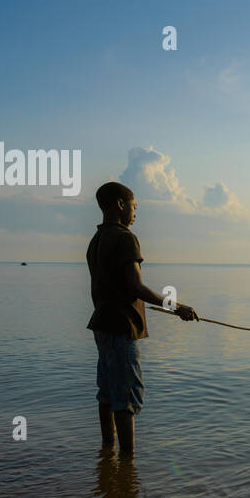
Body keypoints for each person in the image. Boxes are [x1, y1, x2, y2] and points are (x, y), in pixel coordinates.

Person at [86, 181, 197, 456]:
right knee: (125, 397)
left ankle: (107, 452)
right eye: (134, 207)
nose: (136, 214)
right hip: (121, 327)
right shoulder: (124, 237)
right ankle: (128, 462)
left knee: (107, 394)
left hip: (101, 325)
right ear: (120, 205)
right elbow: (136, 287)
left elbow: (111, 287)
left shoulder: (96, 240)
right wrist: (177, 307)